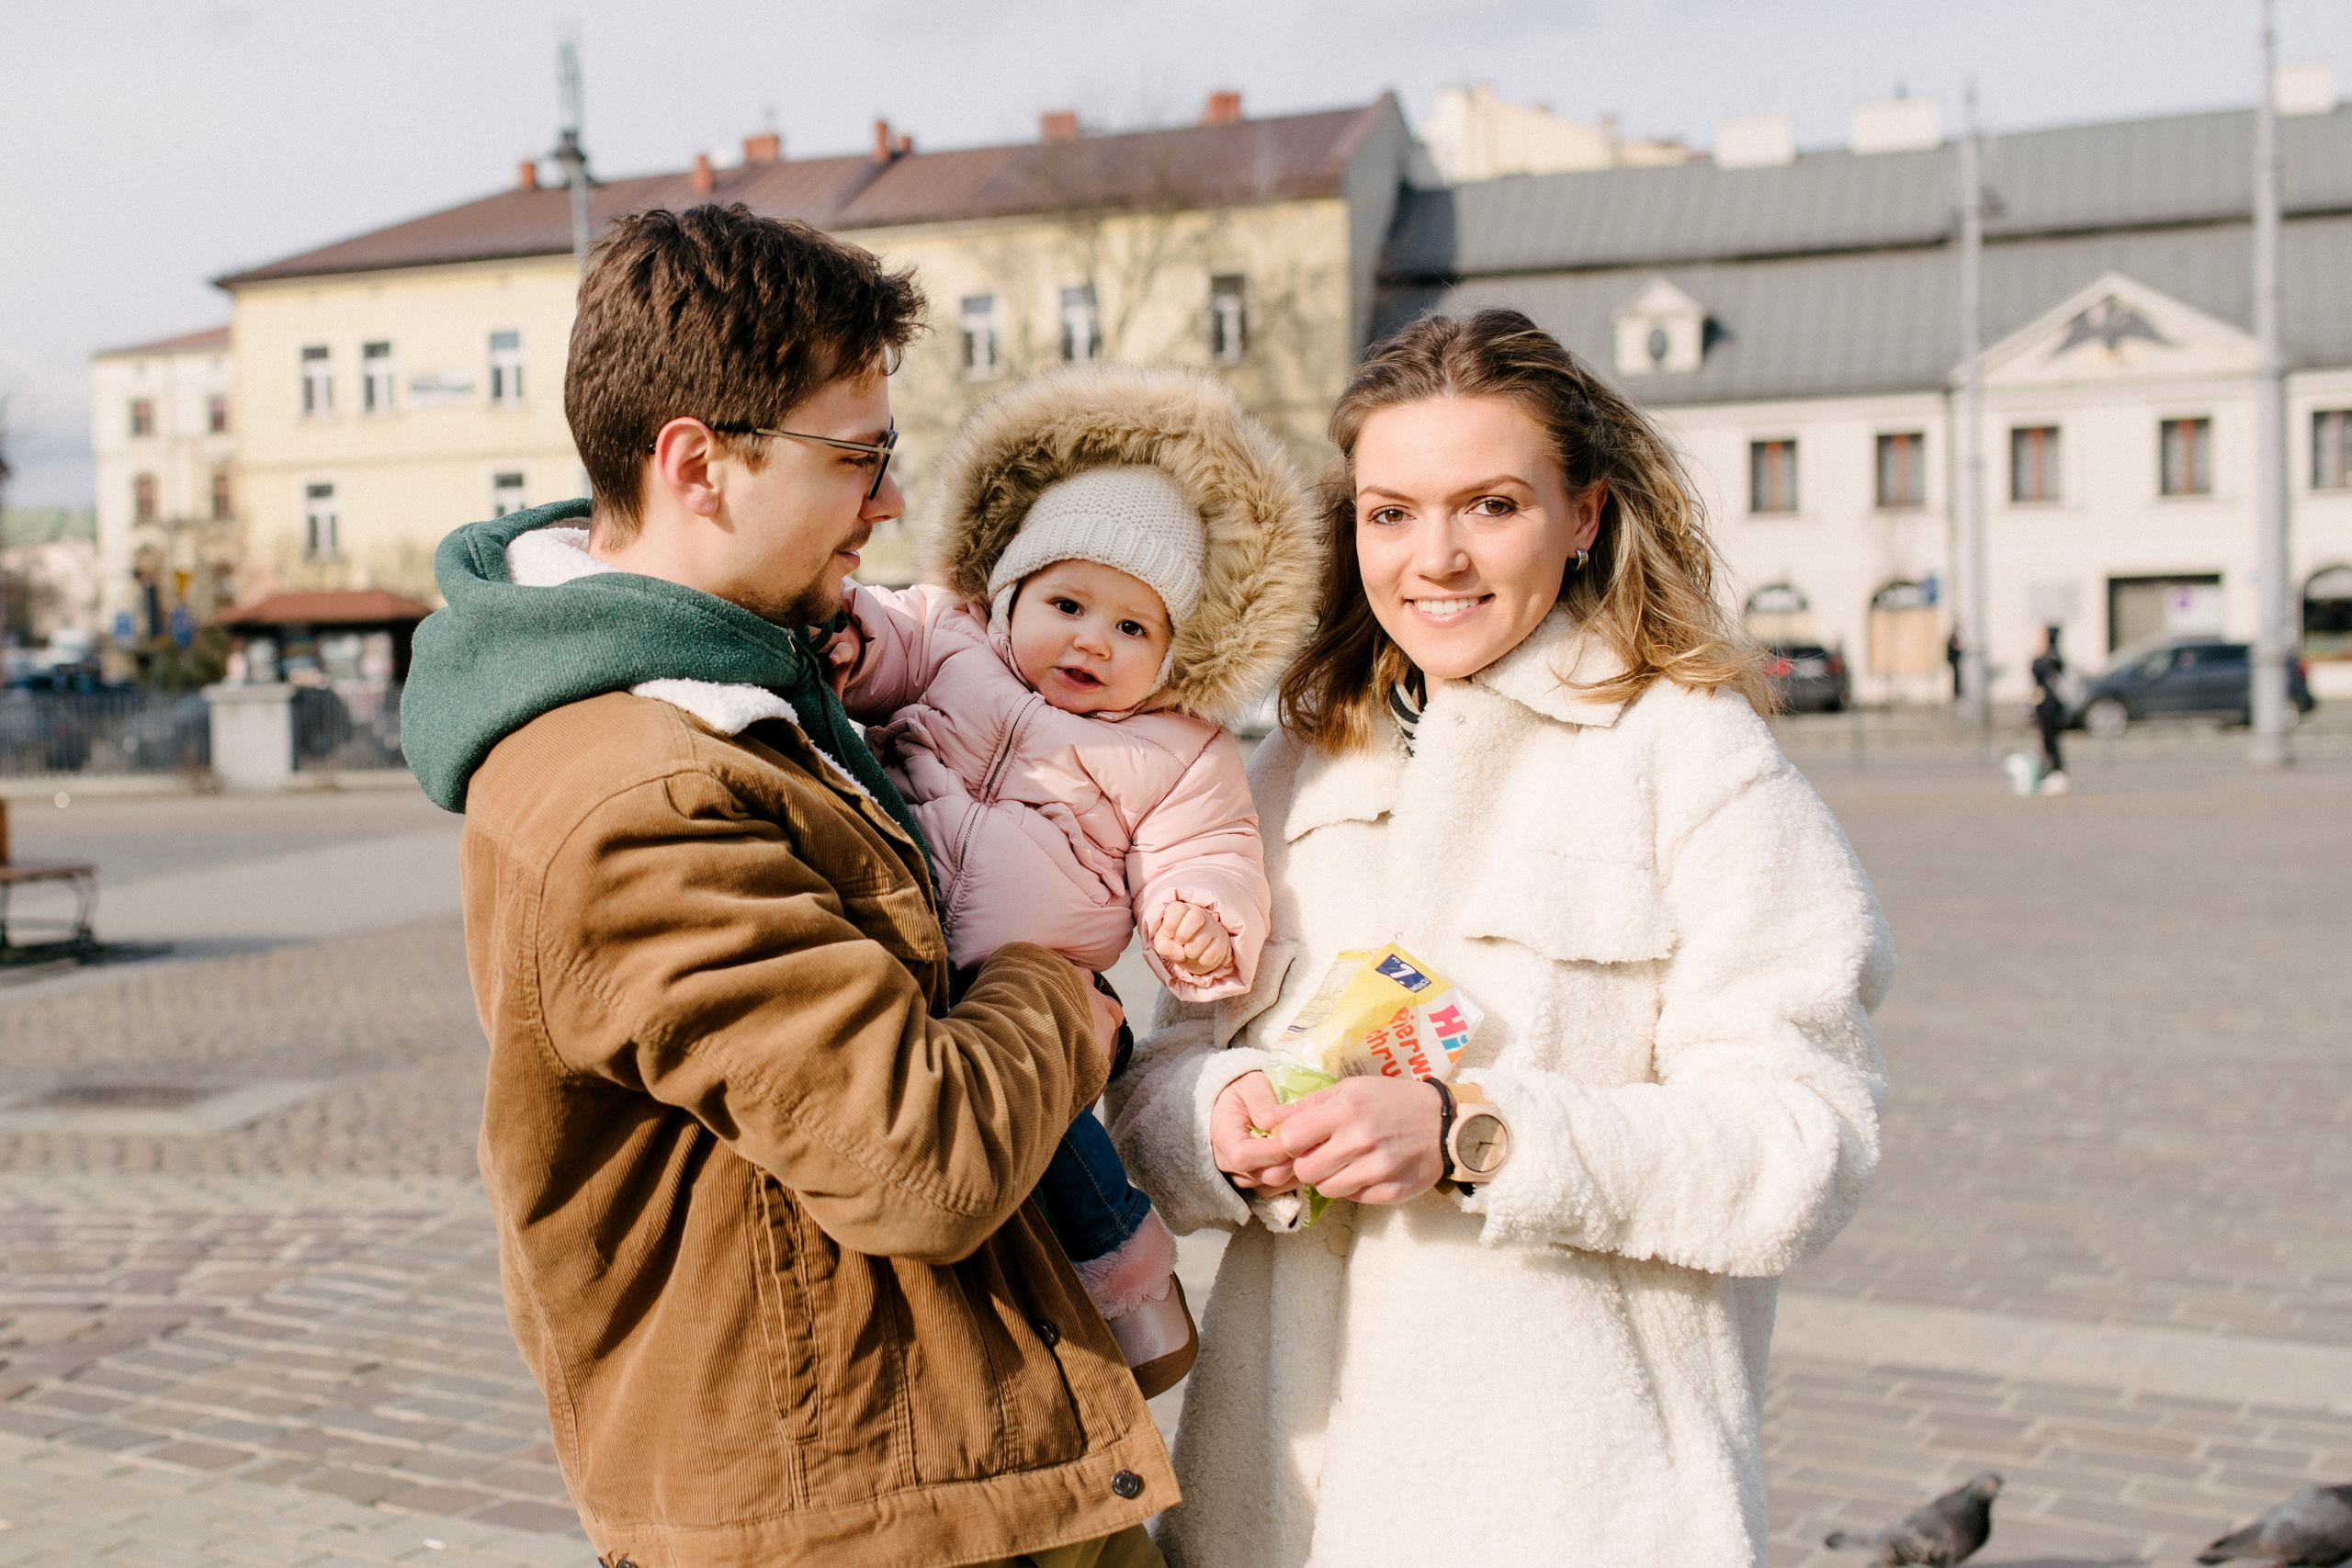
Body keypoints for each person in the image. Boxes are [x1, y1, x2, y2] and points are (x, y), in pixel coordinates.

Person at [401, 205, 1172, 1568]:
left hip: (921, 1463)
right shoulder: (641, 788)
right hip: (847, 1508)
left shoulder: (755, 690)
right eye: (858, 459)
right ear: (700, 462)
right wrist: (1067, 991)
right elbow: (914, 1157)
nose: (885, 500)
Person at [1109, 309, 1894, 1568]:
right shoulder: (1292, 766)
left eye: (1490, 505)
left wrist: (1479, 1135)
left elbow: (1804, 1144)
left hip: (1578, 1500)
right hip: (1285, 1504)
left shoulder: (1693, 757)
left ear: (1582, 516)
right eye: (1392, 512)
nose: (1438, 558)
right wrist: (1226, 1121)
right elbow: (1157, 1085)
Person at [824, 366, 1317, 1395]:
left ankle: (1136, 1300)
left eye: (1133, 627)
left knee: (1056, 1148)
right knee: (938, 1149)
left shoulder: (1177, 750)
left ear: (1175, 651)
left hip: (1032, 991)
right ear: (1005, 595)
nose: (1093, 638)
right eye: (1066, 602)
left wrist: (1200, 921)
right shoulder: (951, 642)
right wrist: (853, 645)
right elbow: (886, 637)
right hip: (902, 959)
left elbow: (1209, 852)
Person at [2031, 626, 2069, 788]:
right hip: (2043, 704)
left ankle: (2057, 773)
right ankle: (2051, 771)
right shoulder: (2049, 654)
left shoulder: (2052, 655)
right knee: (2046, 740)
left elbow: (2039, 669)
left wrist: (2039, 655)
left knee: (2051, 740)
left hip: (2050, 705)